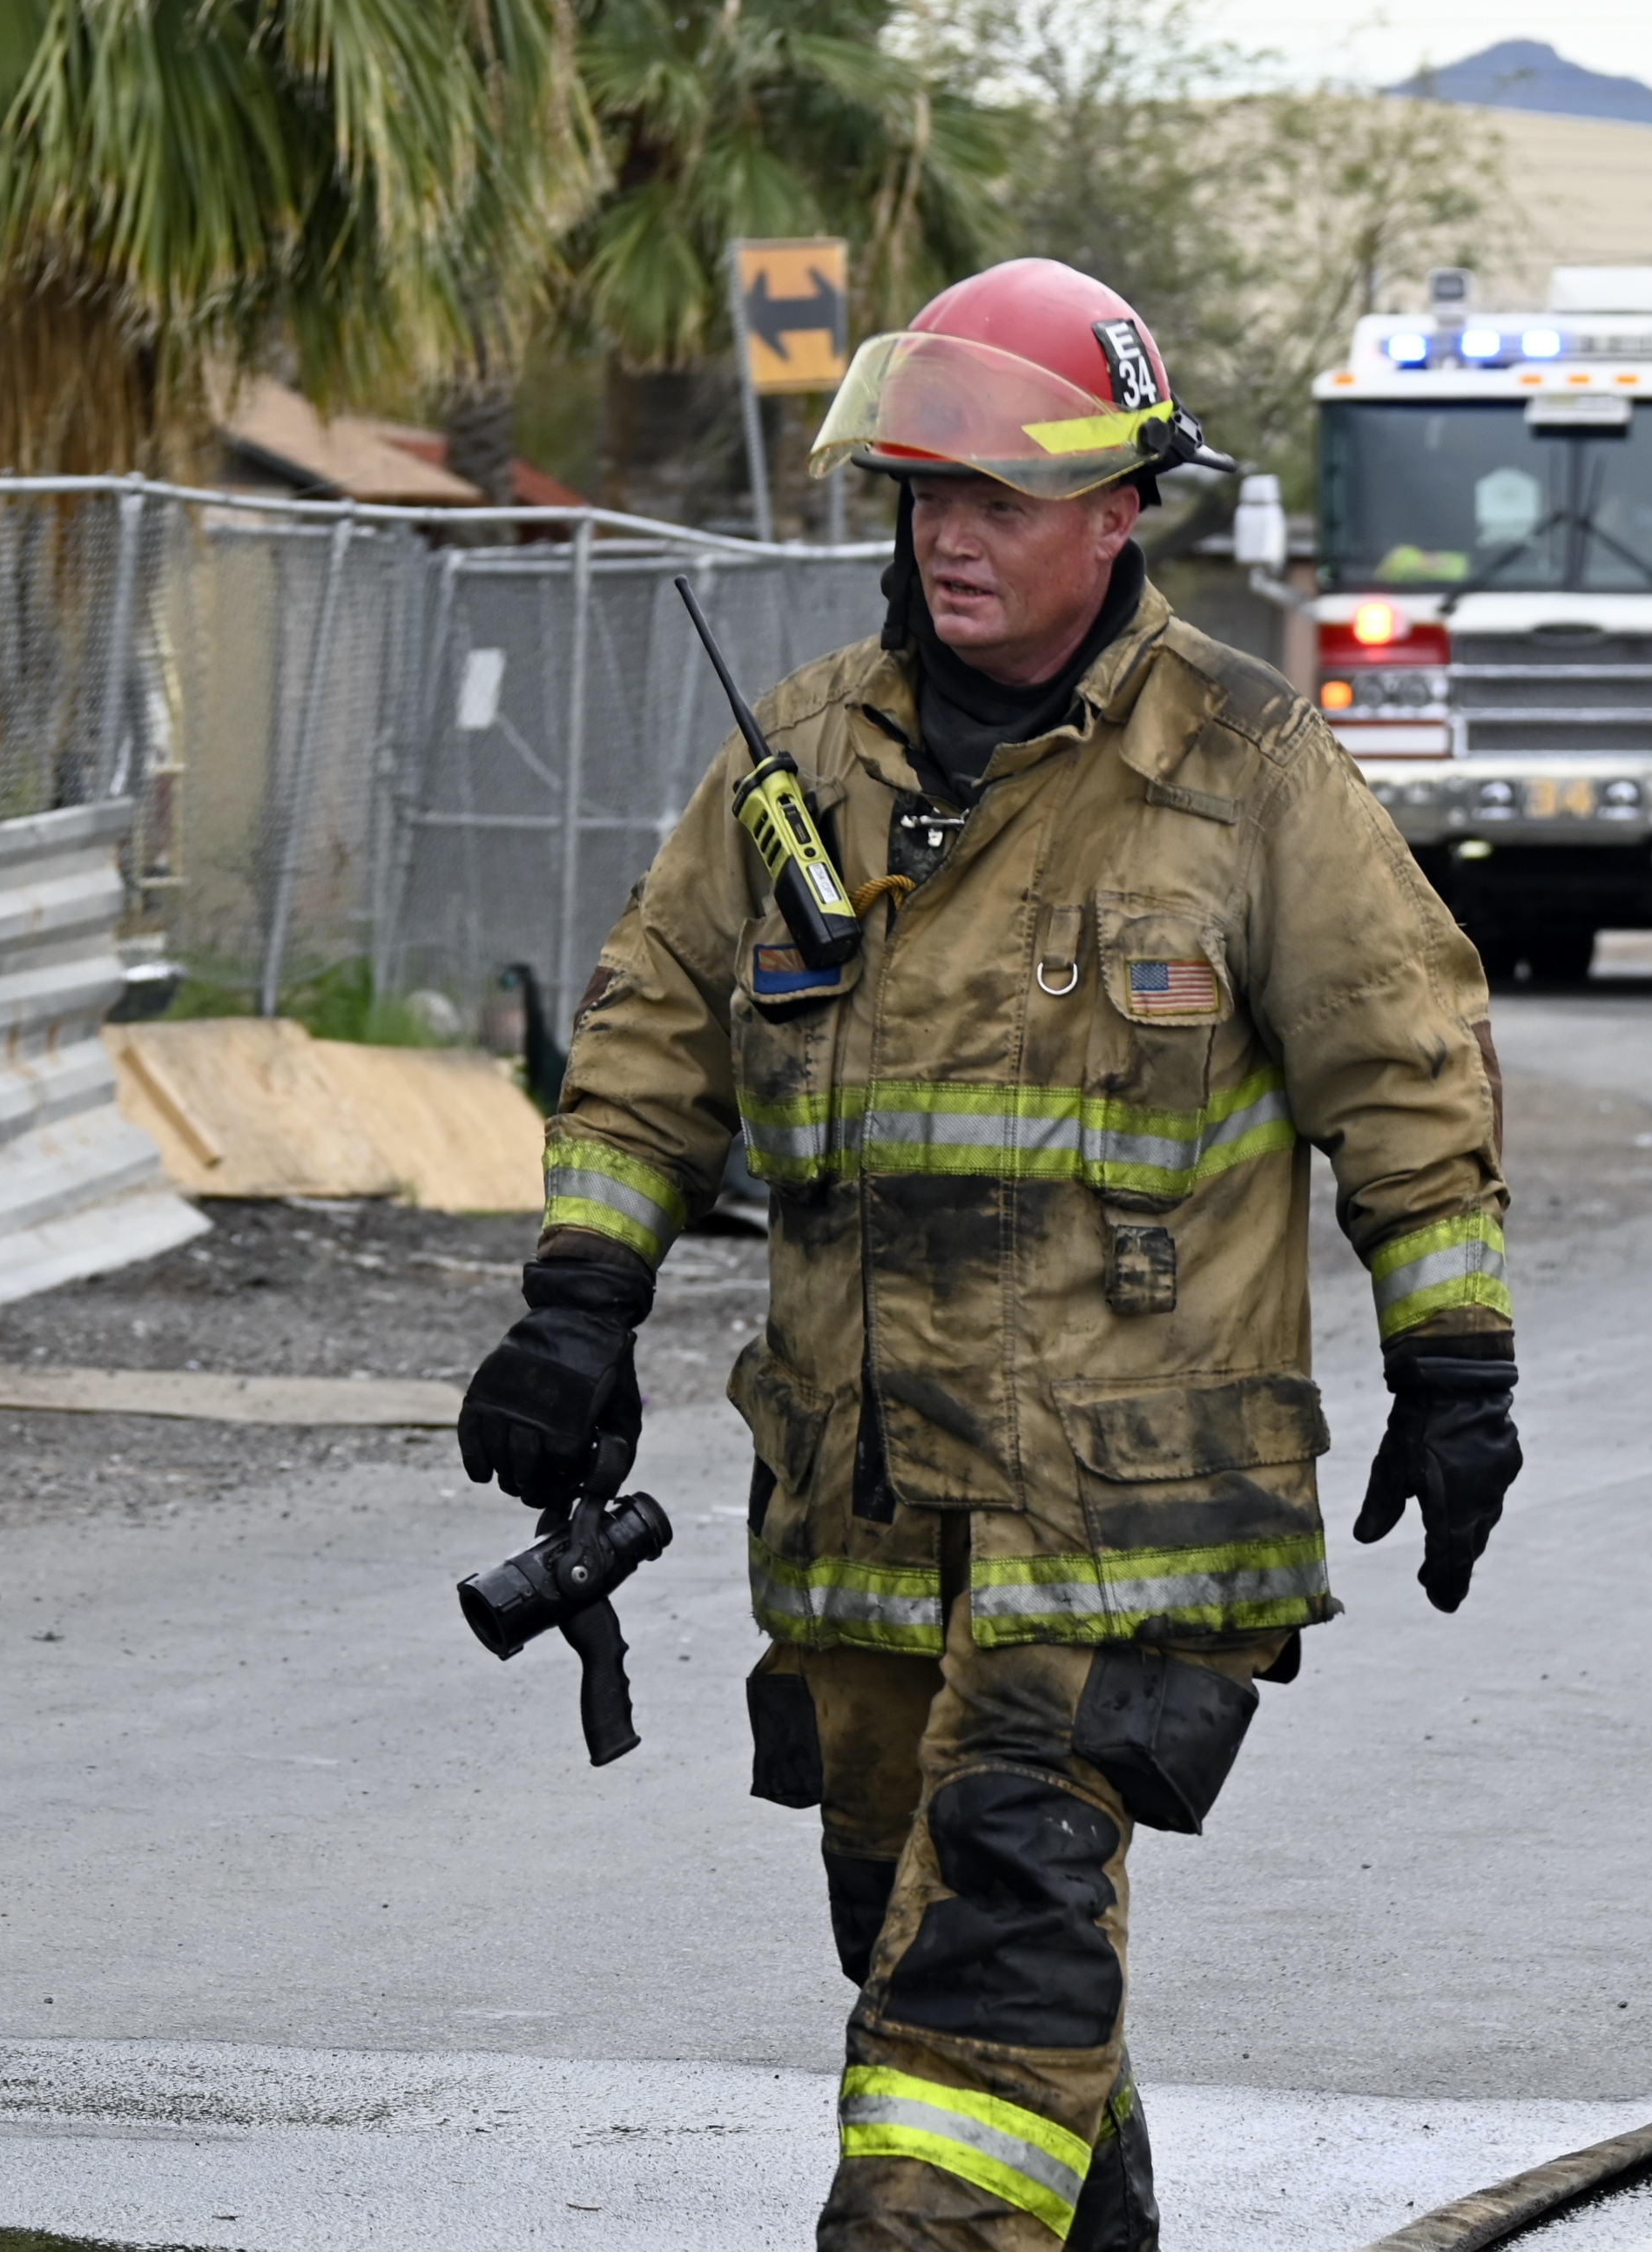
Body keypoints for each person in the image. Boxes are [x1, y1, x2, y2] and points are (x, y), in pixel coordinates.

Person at [457, 257, 1521, 2250]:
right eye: (921, 492)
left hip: (1125, 1516)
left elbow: (1403, 1071)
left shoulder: (1243, 765)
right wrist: (572, 1310)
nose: (947, 533)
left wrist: (1452, 1362)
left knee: (991, 1943)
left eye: (998, 498)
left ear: (1117, 511)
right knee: (918, 1929)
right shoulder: (799, 761)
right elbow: (650, 1039)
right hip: (863, 1510)